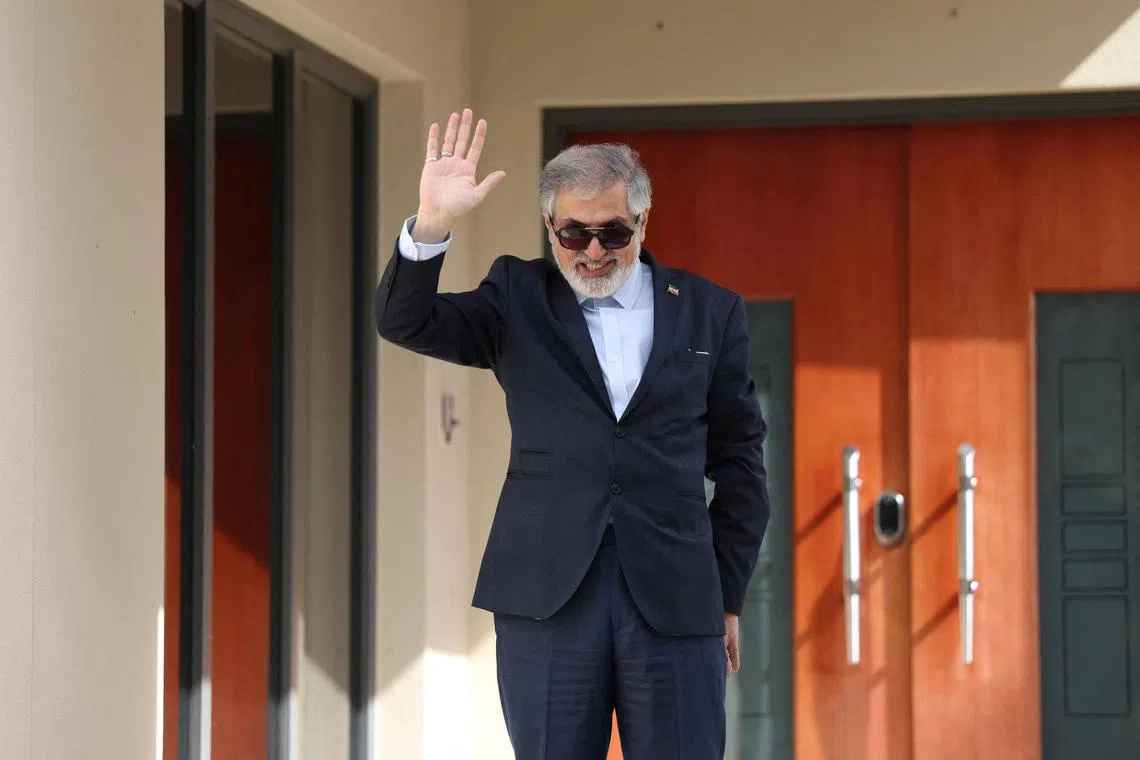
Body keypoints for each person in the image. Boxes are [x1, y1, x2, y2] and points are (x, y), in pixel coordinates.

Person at [375, 108, 770, 760]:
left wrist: (725, 595)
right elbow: (404, 321)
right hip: (545, 599)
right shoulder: (515, 296)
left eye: (612, 233)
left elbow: (740, 463)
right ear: (549, 228)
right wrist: (433, 222)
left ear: (642, 224)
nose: (592, 251)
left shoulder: (709, 311)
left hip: (675, 602)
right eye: (573, 234)